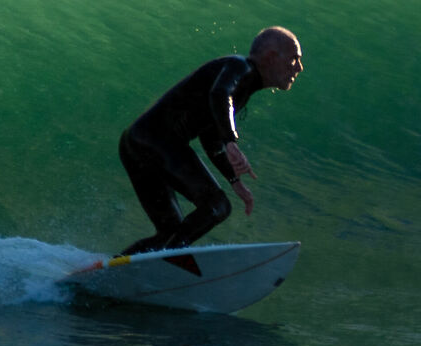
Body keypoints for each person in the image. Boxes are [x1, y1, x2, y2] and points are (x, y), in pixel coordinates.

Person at [116, 27, 303, 256]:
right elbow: (220, 94)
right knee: (217, 206)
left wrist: (234, 180)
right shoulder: (239, 67)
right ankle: (166, 261)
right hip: (156, 140)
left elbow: (210, 138)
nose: (299, 67)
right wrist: (231, 141)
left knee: (171, 231)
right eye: (294, 59)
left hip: (137, 142)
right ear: (271, 57)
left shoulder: (243, 86)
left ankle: (114, 268)